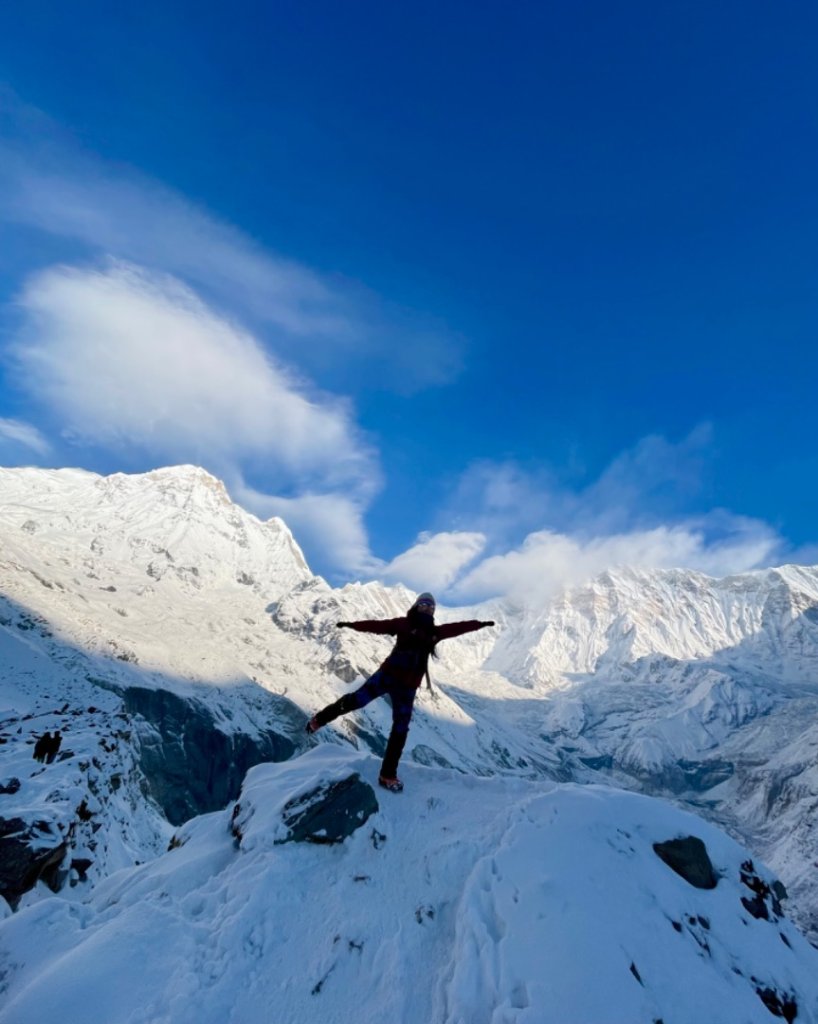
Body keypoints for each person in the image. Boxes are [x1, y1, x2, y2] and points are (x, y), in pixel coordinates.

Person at [306, 593, 494, 792]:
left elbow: (458, 628)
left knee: (400, 729)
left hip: (407, 688)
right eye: (424, 604)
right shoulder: (403, 624)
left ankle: (387, 775)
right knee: (355, 701)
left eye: (431, 607)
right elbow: (377, 626)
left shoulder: (434, 633)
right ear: (416, 606)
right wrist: (352, 625)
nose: (427, 608)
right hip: (386, 676)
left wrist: (480, 624)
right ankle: (319, 720)